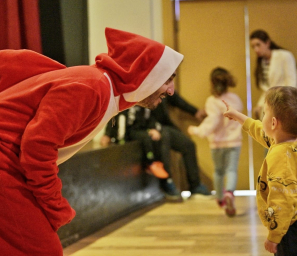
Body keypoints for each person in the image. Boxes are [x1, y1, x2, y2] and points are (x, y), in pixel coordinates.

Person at [0, 27, 183, 255]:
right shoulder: (91, 87)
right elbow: (37, 148)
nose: (172, 90)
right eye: (167, 79)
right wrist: (54, 205)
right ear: (147, 75)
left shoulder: (102, 88)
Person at [223, 86, 297, 255]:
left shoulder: (279, 156)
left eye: (265, 113)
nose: (262, 117)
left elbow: (282, 200)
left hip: (292, 227)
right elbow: (262, 131)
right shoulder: (295, 141)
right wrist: (238, 116)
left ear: (274, 122)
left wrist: (274, 236)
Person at [102, 91, 211, 200]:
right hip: (147, 129)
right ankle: (167, 182)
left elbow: (176, 99)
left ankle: (195, 186)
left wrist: (195, 111)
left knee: (188, 144)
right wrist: (107, 133)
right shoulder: (145, 88)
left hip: (162, 126)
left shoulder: (165, 86)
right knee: (163, 139)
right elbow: (118, 109)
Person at [188, 67, 243, 217]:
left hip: (217, 144)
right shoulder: (235, 99)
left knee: (219, 171)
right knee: (231, 170)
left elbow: (212, 122)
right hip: (234, 142)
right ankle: (230, 193)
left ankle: (220, 198)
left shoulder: (212, 102)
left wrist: (196, 130)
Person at [249, 29, 297, 119]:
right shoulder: (261, 63)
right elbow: (267, 89)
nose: (256, 49)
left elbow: (291, 83)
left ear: (267, 43)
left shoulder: (284, 56)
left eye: (258, 45)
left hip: (284, 105)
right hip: (269, 106)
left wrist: (287, 105)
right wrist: (259, 105)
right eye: (253, 47)